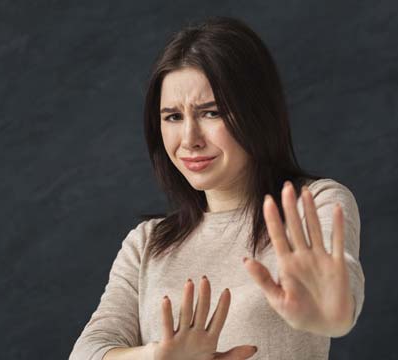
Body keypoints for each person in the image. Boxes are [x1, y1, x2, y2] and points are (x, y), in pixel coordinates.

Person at [69, 15, 365, 360]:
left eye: (211, 113)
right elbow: (87, 352)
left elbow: (340, 294)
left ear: (256, 112)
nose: (190, 140)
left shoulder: (312, 204)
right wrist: (158, 357)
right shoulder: (146, 243)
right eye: (173, 117)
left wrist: (330, 313)